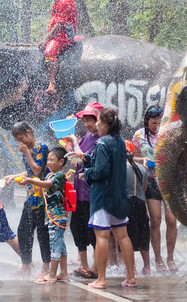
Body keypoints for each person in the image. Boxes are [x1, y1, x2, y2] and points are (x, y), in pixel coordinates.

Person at [71, 108, 136, 289]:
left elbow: (102, 170)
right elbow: (108, 163)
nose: (96, 124)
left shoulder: (102, 143)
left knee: (102, 237)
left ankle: (101, 278)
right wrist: (87, 158)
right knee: (123, 236)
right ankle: (130, 277)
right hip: (119, 197)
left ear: (106, 124)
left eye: (98, 121)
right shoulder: (120, 141)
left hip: (102, 197)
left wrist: (87, 174)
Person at [132, 105, 178, 272]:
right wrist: (141, 159)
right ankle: (158, 259)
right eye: (153, 123)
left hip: (169, 180)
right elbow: (130, 156)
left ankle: (170, 258)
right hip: (150, 180)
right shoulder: (139, 135)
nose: (156, 126)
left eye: (159, 122)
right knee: (156, 220)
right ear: (147, 121)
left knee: (172, 220)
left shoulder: (169, 132)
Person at [4, 122, 50, 276]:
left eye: (21, 137)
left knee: (42, 234)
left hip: (44, 198)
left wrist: (26, 154)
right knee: (23, 231)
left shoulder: (41, 148)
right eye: (17, 140)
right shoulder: (29, 150)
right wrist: (14, 176)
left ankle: (46, 267)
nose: (20, 142)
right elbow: (29, 171)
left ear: (29, 133)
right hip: (31, 198)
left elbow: (37, 171)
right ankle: (26, 264)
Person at [19, 147, 70, 284]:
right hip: (50, 216)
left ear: (61, 162)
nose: (48, 163)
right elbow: (44, 191)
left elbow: (48, 185)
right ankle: (63, 273)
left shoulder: (59, 176)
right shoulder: (49, 175)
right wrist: (37, 187)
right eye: (47, 159)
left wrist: (31, 181)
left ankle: (52, 274)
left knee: (55, 245)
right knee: (61, 245)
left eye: (51, 160)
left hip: (57, 216)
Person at [66, 102, 103, 279]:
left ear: (99, 120)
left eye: (90, 120)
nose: (87, 124)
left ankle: (96, 267)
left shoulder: (102, 140)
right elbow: (76, 158)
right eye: (85, 120)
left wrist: (73, 140)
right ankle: (84, 264)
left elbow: (85, 160)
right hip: (78, 190)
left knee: (93, 230)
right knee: (76, 227)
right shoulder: (88, 135)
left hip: (92, 193)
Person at [38, 0, 77, 95]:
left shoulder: (65, 1)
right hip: (59, 35)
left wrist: (46, 39)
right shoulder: (57, 1)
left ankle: (52, 84)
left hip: (64, 36)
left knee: (49, 52)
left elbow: (59, 25)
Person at [125, 142, 151, 275]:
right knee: (143, 236)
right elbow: (145, 187)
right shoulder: (142, 168)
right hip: (141, 205)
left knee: (127, 237)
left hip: (127, 206)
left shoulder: (120, 169)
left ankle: (131, 267)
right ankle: (147, 267)